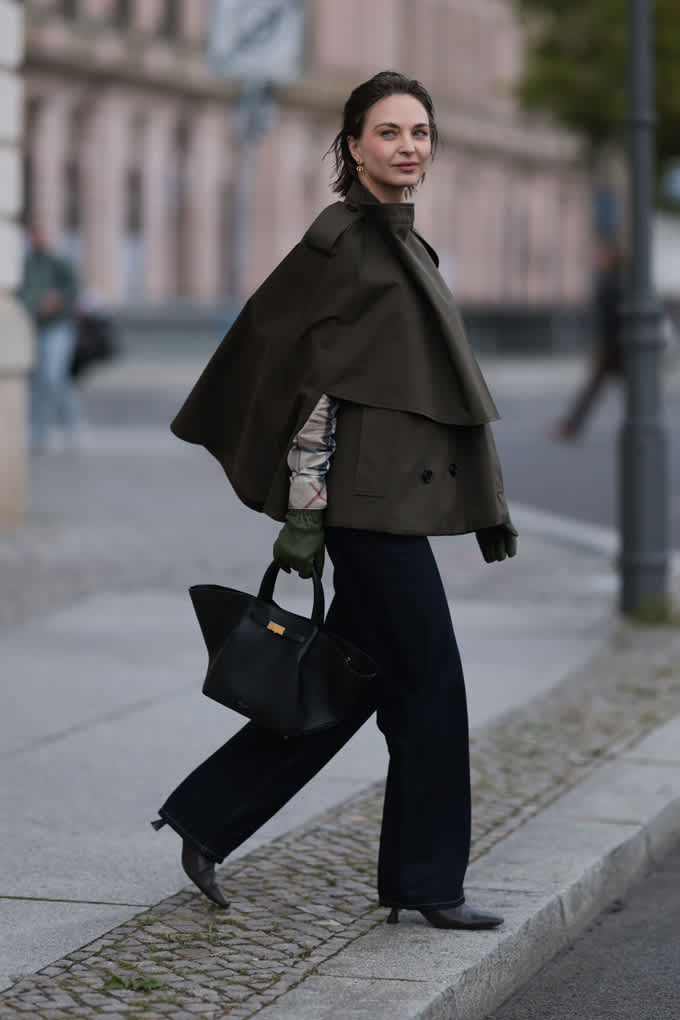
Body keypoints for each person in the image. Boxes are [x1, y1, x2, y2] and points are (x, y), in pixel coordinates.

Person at [151, 71, 518, 931]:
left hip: (387, 500)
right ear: (352, 145)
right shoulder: (343, 244)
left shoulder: (400, 242)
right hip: (362, 509)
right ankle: (427, 884)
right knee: (432, 684)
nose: (408, 147)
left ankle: (207, 817)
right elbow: (309, 391)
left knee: (352, 678)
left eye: (420, 132)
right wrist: (305, 516)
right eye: (389, 132)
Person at [19, 223, 83, 452]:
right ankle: (43, 432)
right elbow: (21, 292)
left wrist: (57, 302)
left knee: (52, 377)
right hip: (35, 328)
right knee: (43, 380)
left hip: (58, 327)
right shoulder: (27, 263)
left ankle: (71, 427)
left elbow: (74, 291)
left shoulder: (59, 262)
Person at [551, 240, 624, 441]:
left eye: (601, 255)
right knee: (595, 388)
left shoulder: (614, 283)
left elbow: (614, 315)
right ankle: (572, 426)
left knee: (594, 388)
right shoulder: (613, 281)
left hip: (615, 346)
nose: (597, 259)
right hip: (616, 345)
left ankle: (572, 427)